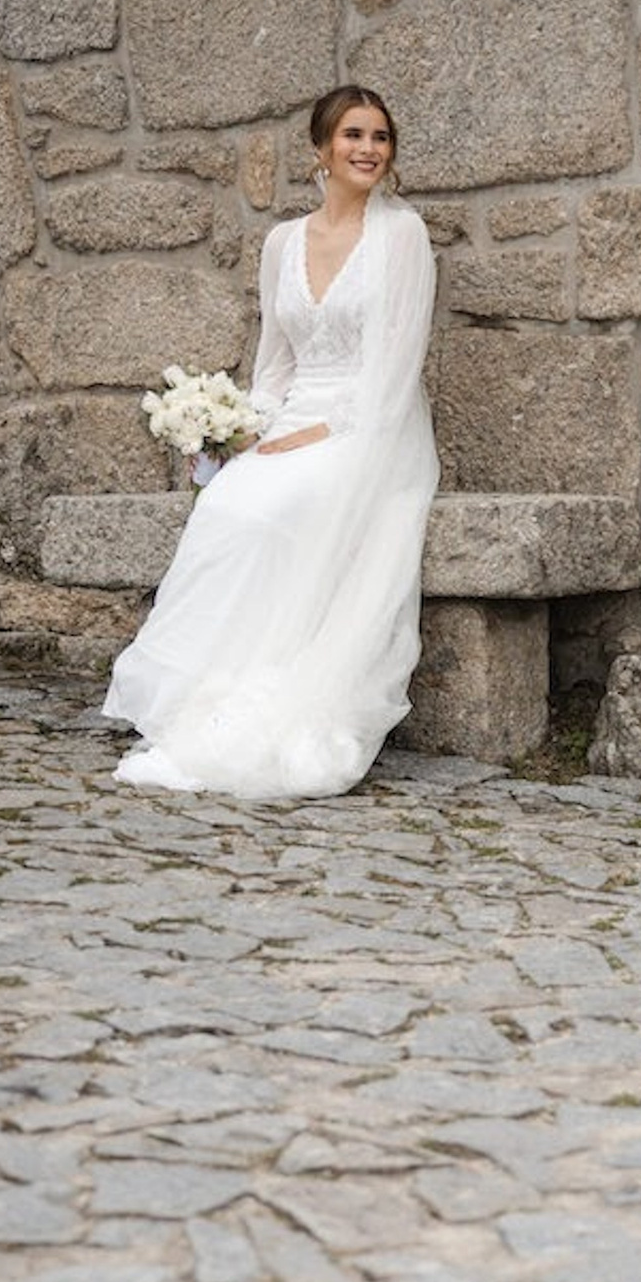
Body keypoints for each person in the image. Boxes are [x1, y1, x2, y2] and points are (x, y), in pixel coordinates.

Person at [103, 86, 438, 799]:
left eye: (380, 137)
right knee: (227, 503)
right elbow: (275, 360)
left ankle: (269, 694)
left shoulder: (402, 235)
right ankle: (204, 691)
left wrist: (319, 433)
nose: (368, 148)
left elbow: (397, 362)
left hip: (371, 424)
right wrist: (243, 427)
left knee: (280, 501)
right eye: (353, 134)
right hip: (292, 419)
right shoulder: (283, 242)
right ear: (320, 149)